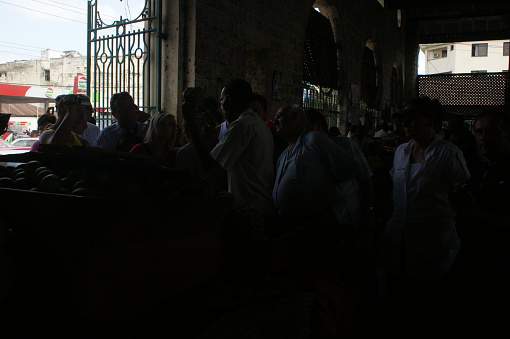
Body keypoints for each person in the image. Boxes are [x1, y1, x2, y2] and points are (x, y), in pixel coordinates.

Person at [378, 96, 470, 338]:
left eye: (413, 119)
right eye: (404, 120)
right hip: (398, 240)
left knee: (429, 305)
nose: (406, 125)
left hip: (432, 243)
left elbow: (463, 191)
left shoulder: (448, 153)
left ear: (431, 122)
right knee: (399, 302)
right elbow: (394, 194)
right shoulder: (400, 152)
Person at [183, 80, 276, 216]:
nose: (221, 107)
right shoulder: (258, 124)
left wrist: (190, 124)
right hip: (261, 203)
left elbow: (209, 165)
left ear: (229, 101)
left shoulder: (242, 125)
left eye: (222, 102)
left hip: (250, 208)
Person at [457, 109, 510, 336]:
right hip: (478, 265)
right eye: (479, 131)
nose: (483, 137)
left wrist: (483, 216)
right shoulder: (481, 169)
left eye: (491, 131)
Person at [272, 105, 359, 218]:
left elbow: (349, 169)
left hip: (312, 223)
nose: (274, 122)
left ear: (294, 117)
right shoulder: (283, 155)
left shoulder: (313, 140)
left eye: (279, 116)